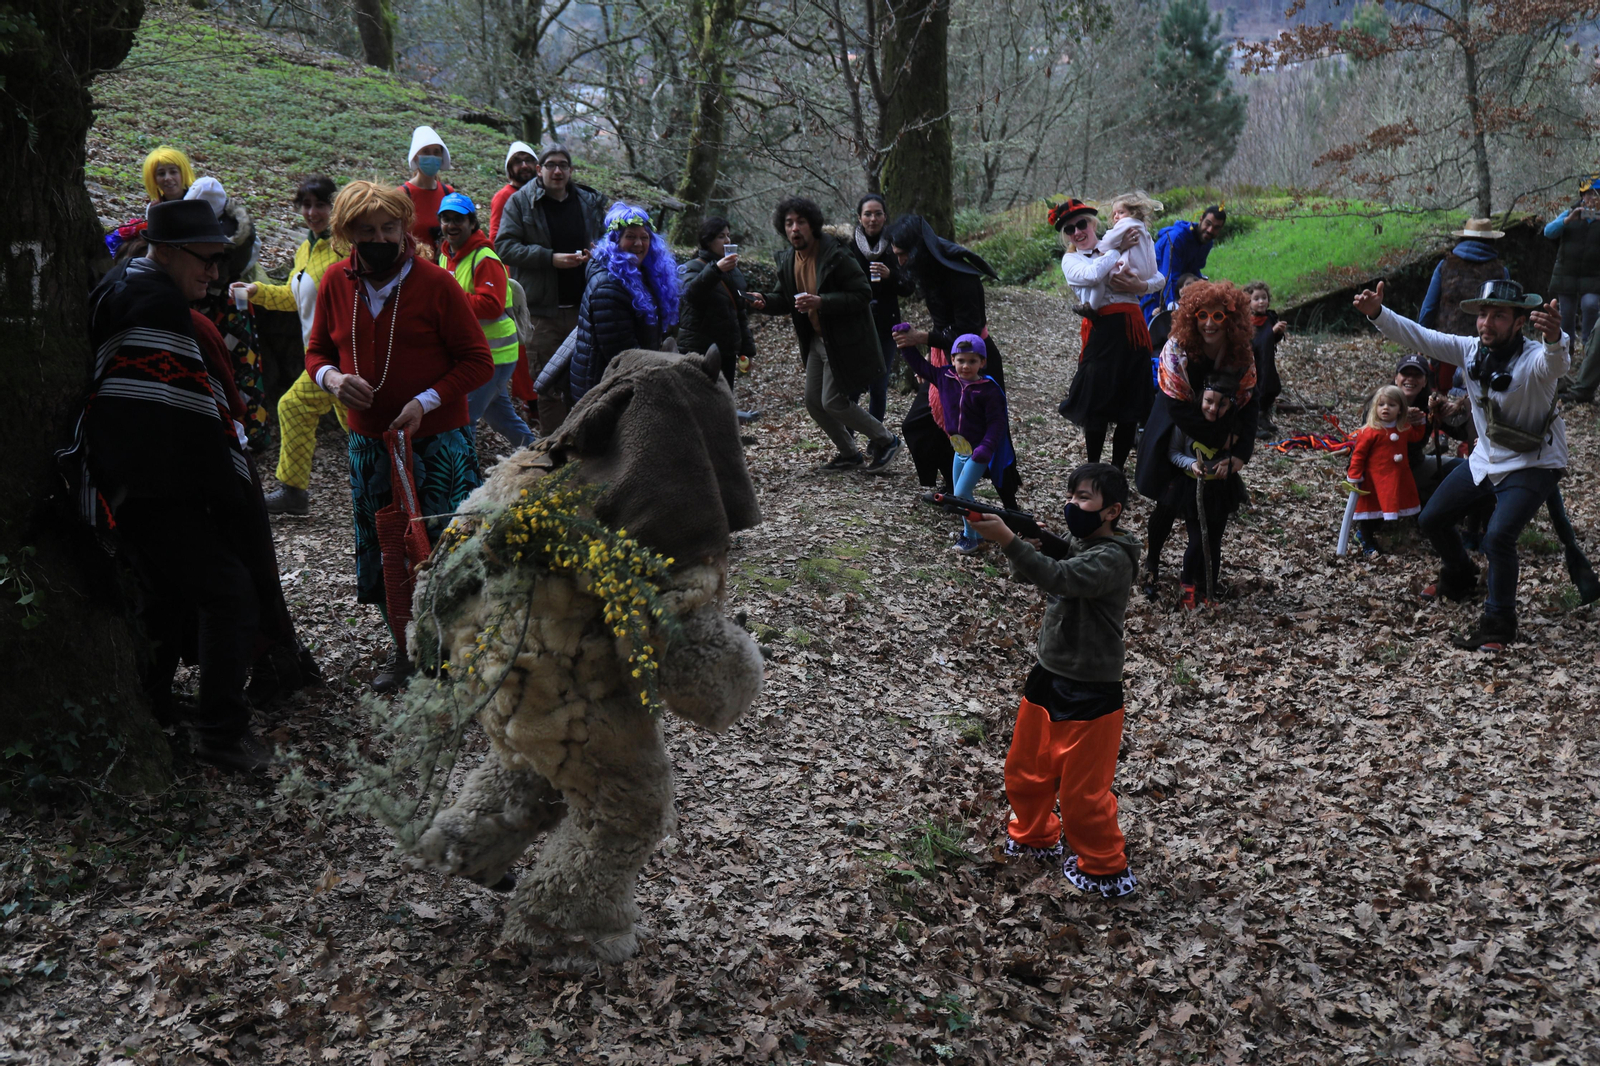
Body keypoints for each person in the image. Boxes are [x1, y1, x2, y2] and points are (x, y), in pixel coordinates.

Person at [64, 200, 290, 771]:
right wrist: (225, 486)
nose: (215, 274)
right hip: (154, 483)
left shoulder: (129, 283)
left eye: (221, 260)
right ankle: (220, 730)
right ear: (166, 250)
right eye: (208, 259)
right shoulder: (157, 304)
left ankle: (159, 706)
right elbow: (179, 411)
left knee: (162, 598)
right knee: (229, 593)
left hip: (128, 480)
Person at [303, 181, 495, 690]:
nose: (381, 238)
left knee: (444, 548)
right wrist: (333, 380)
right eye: (367, 230)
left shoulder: (435, 284)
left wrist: (425, 401)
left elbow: (478, 360)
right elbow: (317, 350)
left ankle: (457, 652)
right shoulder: (336, 285)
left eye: (390, 228)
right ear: (347, 234)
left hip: (438, 444)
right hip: (369, 446)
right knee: (390, 550)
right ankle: (405, 652)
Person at [1352, 278, 1568, 651]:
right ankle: (1460, 575)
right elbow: (1420, 337)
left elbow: (1556, 363)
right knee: (1432, 518)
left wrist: (1555, 338)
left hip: (1534, 463)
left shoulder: (1535, 359)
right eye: (1483, 314)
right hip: (1486, 459)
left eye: (1498, 315)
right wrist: (1377, 313)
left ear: (1519, 322)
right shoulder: (1469, 351)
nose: (1486, 323)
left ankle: (1499, 623)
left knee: (1498, 537)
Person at [968, 463, 1141, 899]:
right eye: (1071, 496)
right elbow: (1043, 571)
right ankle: (1034, 834)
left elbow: (1063, 577)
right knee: (1028, 769)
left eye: (1083, 498)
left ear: (1112, 511)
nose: (1072, 504)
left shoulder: (1113, 558)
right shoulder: (1083, 547)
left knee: (1083, 794)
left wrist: (1010, 541)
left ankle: (1103, 867)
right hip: (1049, 674)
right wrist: (1032, 546)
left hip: (1093, 690)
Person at [750, 196, 899, 473]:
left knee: (832, 401)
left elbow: (862, 293)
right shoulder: (787, 260)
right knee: (813, 402)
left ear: (813, 225)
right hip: (816, 341)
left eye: (801, 222)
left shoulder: (835, 255)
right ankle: (849, 453)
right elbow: (785, 298)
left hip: (842, 340)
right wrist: (763, 301)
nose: (795, 228)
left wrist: (822, 301)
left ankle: (886, 440)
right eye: (789, 223)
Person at [1134, 280, 1259, 596]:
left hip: (1222, 422)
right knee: (1167, 500)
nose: (1209, 323)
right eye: (1203, 315)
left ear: (1231, 320)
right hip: (1174, 427)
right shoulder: (1177, 347)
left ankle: (1202, 577)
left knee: (1211, 507)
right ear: (1192, 317)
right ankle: (1152, 561)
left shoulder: (1241, 354)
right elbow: (1178, 408)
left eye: (1218, 316)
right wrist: (1220, 440)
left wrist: (1240, 452)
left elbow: (1249, 402)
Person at [234, 175, 346, 515]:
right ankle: (293, 493)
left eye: (320, 205)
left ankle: (396, 489)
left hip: (345, 358)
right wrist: (258, 291)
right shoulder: (305, 248)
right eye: (306, 205)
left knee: (362, 430)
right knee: (294, 408)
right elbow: (295, 297)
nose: (312, 212)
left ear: (334, 207)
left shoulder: (345, 248)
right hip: (319, 360)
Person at [885, 214, 1005, 492]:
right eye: (896, 255)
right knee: (920, 426)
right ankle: (954, 488)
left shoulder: (960, 276)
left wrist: (922, 338)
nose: (900, 262)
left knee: (984, 434)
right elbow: (944, 324)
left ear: (917, 251)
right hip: (946, 358)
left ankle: (1008, 507)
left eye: (903, 255)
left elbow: (968, 332)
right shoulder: (929, 269)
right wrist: (929, 354)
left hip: (973, 363)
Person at [495, 142, 609, 433]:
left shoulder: (587, 202)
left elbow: (607, 241)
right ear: (539, 170)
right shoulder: (521, 202)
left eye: (563, 165)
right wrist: (549, 259)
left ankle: (585, 447)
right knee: (547, 386)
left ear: (571, 171)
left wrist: (599, 251)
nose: (557, 171)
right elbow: (504, 246)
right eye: (550, 165)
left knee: (588, 381)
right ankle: (555, 451)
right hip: (542, 313)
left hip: (584, 308)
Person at [1054, 197, 1166, 469]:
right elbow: (1093, 275)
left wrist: (1140, 284)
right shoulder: (1072, 260)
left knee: (1130, 406)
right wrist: (1117, 250)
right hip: (1102, 331)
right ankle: (1093, 467)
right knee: (1096, 404)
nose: (1077, 232)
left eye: (1082, 224)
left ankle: (1116, 469)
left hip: (1133, 329)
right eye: (1070, 230)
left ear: (1092, 224)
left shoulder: (1116, 239)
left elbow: (1159, 278)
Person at [899, 334, 1015, 554]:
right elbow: (921, 366)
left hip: (979, 451)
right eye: (961, 360)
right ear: (952, 359)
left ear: (983, 363)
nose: (965, 366)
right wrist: (905, 345)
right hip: (958, 449)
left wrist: (986, 448)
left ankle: (972, 537)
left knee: (961, 495)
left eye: (972, 361)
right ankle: (977, 532)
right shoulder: (945, 377)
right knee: (960, 495)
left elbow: (997, 423)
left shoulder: (987, 390)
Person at [438, 191, 536, 450]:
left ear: (472, 223)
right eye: (446, 219)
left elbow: (491, 306)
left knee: (462, 419)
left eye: (458, 219)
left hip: (495, 355)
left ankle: (464, 480)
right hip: (477, 354)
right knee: (501, 417)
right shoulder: (445, 256)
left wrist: (451, 299)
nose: (451, 225)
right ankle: (541, 457)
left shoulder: (485, 259)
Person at [570, 203, 680, 403]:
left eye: (644, 237)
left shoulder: (643, 276)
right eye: (630, 236)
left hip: (627, 382)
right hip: (604, 391)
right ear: (615, 241)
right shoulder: (608, 288)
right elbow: (624, 355)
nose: (638, 243)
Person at [1166, 376, 1249, 609]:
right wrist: (1190, 464)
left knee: (1214, 541)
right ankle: (1187, 586)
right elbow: (1173, 452)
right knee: (1196, 541)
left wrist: (1229, 462)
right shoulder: (1186, 424)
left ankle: (1208, 587)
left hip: (1221, 491)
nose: (1213, 408)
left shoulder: (1232, 428)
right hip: (1192, 490)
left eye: (1221, 404)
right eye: (1209, 402)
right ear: (1201, 399)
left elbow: (1237, 453)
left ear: (1231, 405)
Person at [676, 214, 757, 416]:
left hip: (726, 350)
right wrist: (715, 270)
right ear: (708, 239)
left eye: (728, 236)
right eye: (721, 236)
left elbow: (739, 311)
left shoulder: (734, 271)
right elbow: (690, 294)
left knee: (722, 401)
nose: (727, 241)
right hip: (698, 350)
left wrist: (746, 350)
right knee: (699, 404)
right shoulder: (692, 267)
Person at [1417, 218, 1510, 393]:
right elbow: (1507, 310)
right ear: (1491, 241)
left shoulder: (1445, 265)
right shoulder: (1500, 271)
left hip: (1445, 344)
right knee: (1477, 397)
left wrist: (1420, 340)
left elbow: (1429, 306)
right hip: (1484, 346)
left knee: (1441, 394)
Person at [1345, 384, 1427, 556]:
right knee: (1371, 512)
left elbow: (1416, 436)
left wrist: (1420, 422)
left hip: (1398, 478)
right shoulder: (1370, 431)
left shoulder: (1403, 428)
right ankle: (1365, 539)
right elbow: (1358, 455)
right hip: (1375, 481)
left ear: (1400, 409)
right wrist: (1354, 475)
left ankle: (1374, 536)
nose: (1385, 408)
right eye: (1381, 405)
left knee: (1387, 509)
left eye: (1391, 405)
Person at [846, 193, 906, 419]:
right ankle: (849, 445)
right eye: (867, 214)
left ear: (885, 216)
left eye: (878, 214)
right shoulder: (848, 246)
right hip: (855, 325)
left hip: (885, 325)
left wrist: (891, 275)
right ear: (860, 217)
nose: (873, 219)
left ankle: (879, 442)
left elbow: (909, 286)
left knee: (879, 387)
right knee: (852, 388)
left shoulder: (895, 244)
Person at [1140, 204, 1225, 323]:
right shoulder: (1176, 238)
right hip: (1154, 295)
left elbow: (1194, 271)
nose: (1210, 230)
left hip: (1180, 291)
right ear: (1200, 219)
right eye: (1208, 223)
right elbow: (1168, 278)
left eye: (1216, 227)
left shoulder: (1206, 242)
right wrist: (1174, 309)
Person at [1544, 177, 1600, 351]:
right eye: (1589, 194)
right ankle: (1565, 351)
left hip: (1593, 275)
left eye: (1597, 194)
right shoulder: (1569, 213)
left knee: (1591, 306)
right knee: (1566, 314)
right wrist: (1568, 220)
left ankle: (1588, 348)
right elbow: (1548, 232)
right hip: (1566, 274)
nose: (1593, 198)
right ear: (1582, 196)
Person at [401, 125, 455, 260]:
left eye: (436, 152)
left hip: (443, 268)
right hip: (413, 268)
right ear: (415, 157)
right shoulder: (402, 195)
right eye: (426, 151)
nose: (432, 156)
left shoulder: (448, 193)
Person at [1243, 280, 1288, 438]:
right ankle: (1252, 424)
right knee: (1255, 391)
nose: (1261, 301)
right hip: (1252, 365)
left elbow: (1270, 342)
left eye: (1264, 298)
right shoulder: (1247, 322)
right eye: (1256, 299)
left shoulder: (1269, 317)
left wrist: (1277, 333)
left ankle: (1263, 416)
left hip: (1267, 362)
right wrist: (1270, 332)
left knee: (1271, 388)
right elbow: (1255, 342)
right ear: (1248, 301)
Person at [489, 140, 538, 243]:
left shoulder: (540, 193)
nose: (524, 165)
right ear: (510, 168)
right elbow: (495, 237)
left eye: (528, 160)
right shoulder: (503, 196)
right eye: (518, 162)